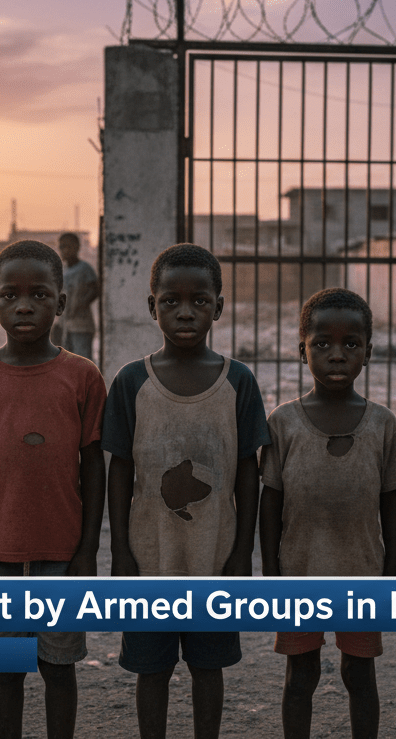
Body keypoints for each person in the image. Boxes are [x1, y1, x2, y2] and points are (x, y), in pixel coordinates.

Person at [0, 239, 107, 739]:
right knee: (5, 669)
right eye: (10, 295)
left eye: (40, 294)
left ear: (63, 302)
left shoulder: (82, 377)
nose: (25, 305)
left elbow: (94, 465)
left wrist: (89, 550)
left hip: (62, 553)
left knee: (59, 668)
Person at [104, 243, 270, 739]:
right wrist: (119, 550)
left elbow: (248, 471)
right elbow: (120, 469)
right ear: (151, 305)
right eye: (171, 300)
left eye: (200, 300)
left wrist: (242, 552)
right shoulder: (132, 381)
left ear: (218, 306)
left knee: (207, 666)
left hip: (214, 554)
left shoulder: (237, 381)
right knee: (151, 669)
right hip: (150, 554)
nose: (185, 311)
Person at [259, 288, 396, 739]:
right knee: (300, 676)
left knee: (359, 676)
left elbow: (392, 500)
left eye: (351, 345)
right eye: (321, 344)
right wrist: (270, 571)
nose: (337, 356)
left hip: (362, 572)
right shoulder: (284, 423)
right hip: (300, 572)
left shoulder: (382, 423)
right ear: (301, 351)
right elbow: (271, 501)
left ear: (368, 351)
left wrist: (392, 573)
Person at [51, 232, 99, 362]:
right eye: (61, 247)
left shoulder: (84, 268)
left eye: (68, 247)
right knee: (68, 361)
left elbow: (95, 289)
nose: (64, 250)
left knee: (83, 360)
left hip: (81, 324)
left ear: (77, 247)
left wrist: (82, 303)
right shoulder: (62, 270)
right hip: (65, 324)